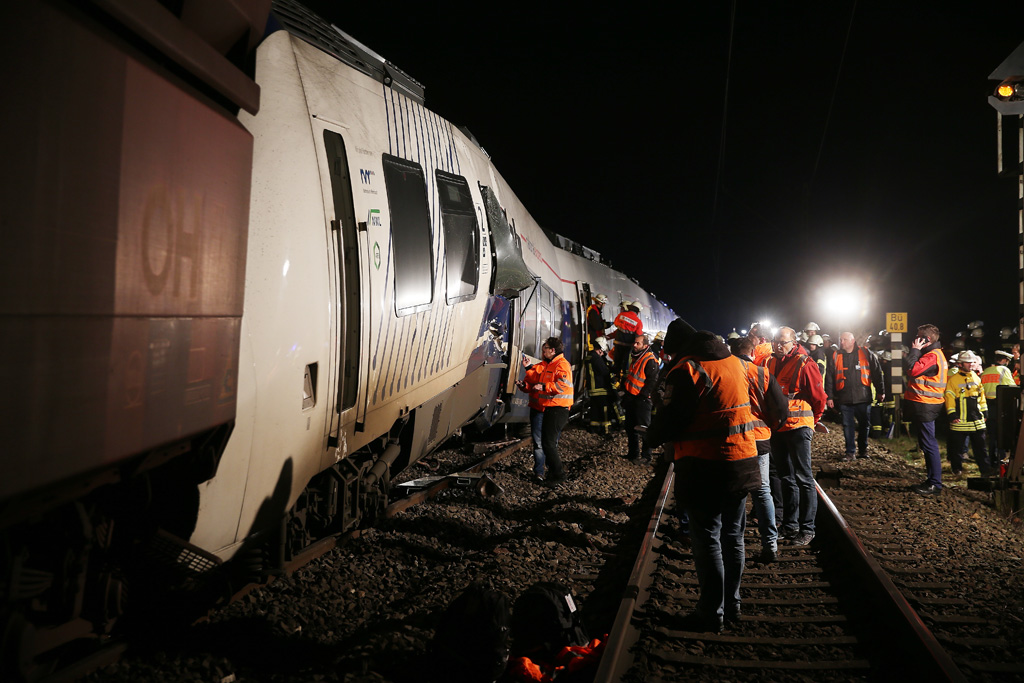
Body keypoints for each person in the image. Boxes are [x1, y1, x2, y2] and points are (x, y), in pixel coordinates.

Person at [648, 319, 761, 633]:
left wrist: (650, 437)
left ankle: (712, 612)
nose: (668, 360)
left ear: (679, 350)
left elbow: (673, 419)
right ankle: (733, 604)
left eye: (670, 354)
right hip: (742, 461)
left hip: (703, 467)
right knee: (734, 538)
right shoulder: (737, 364)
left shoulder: (688, 371)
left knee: (708, 540)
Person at [763, 326, 826, 546]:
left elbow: (819, 397)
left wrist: (813, 420)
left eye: (783, 342)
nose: (779, 346)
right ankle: (790, 526)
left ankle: (807, 528)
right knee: (786, 478)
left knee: (803, 478)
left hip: (799, 427)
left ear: (794, 342)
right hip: (779, 427)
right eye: (776, 342)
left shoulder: (804, 363)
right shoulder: (770, 362)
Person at [733, 336, 789, 564]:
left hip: (734, 440)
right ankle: (770, 545)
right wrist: (771, 426)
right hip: (760, 439)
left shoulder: (725, 372)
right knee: (762, 491)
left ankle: (735, 547)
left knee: (736, 493)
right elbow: (782, 407)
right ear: (753, 351)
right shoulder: (761, 372)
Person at [517, 337, 573, 487]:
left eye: (545, 349)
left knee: (548, 444)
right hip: (550, 407)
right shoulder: (551, 364)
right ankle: (553, 474)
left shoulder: (561, 365)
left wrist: (544, 387)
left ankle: (558, 474)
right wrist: (528, 372)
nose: (542, 352)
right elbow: (536, 379)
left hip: (558, 408)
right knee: (546, 443)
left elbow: (562, 385)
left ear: (552, 350)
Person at [826, 332, 885, 461]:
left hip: (863, 397)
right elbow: (829, 377)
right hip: (844, 398)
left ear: (853, 341)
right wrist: (829, 397)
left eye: (845, 340)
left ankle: (863, 450)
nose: (842, 342)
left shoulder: (865, 353)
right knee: (848, 426)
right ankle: (850, 452)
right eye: (841, 339)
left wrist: (881, 391)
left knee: (864, 425)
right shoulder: (836, 355)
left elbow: (876, 372)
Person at [905, 324, 949, 495]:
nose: (915, 340)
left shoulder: (932, 356)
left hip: (926, 404)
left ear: (927, 340)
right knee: (927, 442)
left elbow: (912, 369)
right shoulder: (936, 355)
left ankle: (935, 484)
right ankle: (932, 480)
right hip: (928, 403)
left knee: (929, 443)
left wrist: (915, 350)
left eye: (919, 337)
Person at [945, 350, 992, 478]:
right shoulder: (953, 380)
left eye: (972, 362)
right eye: (967, 363)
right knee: (957, 449)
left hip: (977, 420)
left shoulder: (976, 377)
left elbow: (981, 396)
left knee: (981, 448)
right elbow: (949, 398)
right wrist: (952, 414)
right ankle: (957, 469)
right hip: (960, 420)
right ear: (960, 364)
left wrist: (984, 410)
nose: (971, 365)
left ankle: (985, 470)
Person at [623, 334, 660, 462]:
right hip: (632, 397)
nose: (634, 345)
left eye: (637, 343)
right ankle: (633, 454)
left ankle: (646, 456)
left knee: (644, 429)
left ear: (645, 345)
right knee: (630, 427)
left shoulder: (650, 359)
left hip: (642, 400)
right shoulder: (636, 356)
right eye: (634, 342)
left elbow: (652, 381)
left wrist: (642, 396)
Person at [981, 350, 1016, 467]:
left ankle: (991, 459)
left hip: (987, 406)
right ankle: (1000, 459)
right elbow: (1012, 388)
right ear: (1004, 360)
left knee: (992, 435)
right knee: (1001, 434)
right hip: (1000, 406)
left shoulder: (986, 371)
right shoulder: (1004, 370)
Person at [585, 337, 619, 437]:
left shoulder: (589, 357)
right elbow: (605, 372)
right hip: (601, 388)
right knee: (605, 410)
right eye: (602, 352)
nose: (603, 354)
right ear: (600, 349)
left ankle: (594, 428)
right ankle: (606, 430)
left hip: (593, 389)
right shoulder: (596, 358)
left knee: (595, 410)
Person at [610, 301, 644, 384]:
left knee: (616, 363)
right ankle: (623, 384)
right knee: (626, 366)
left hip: (618, 344)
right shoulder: (638, 322)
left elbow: (616, 324)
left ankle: (614, 381)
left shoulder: (621, 315)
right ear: (638, 311)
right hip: (628, 347)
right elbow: (639, 335)